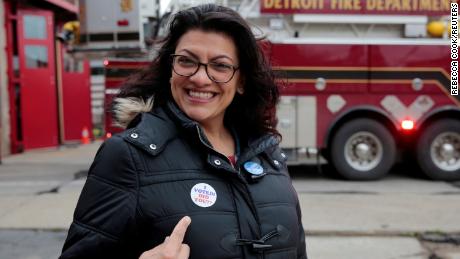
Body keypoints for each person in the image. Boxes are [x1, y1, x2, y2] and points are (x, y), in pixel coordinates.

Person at [60, 4, 307, 259]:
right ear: (170, 69)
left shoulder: (268, 155)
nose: (200, 78)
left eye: (220, 66)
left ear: (241, 81)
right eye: (186, 61)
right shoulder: (128, 156)